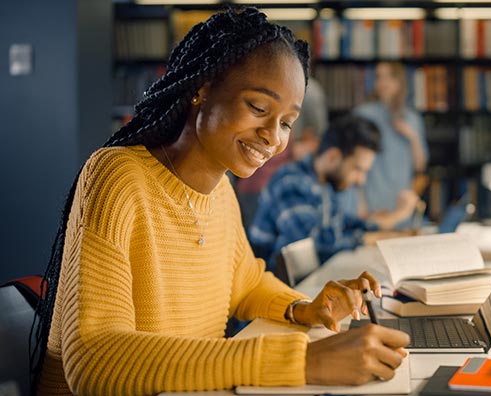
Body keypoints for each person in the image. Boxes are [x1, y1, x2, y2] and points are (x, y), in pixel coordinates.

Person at [31, 8, 409, 395]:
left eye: (286, 122)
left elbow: (244, 285)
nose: (273, 137)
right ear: (202, 88)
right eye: (259, 108)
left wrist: (303, 308)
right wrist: (303, 361)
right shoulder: (117, 177)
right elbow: (95, 360)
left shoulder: (220, 191)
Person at [249, 114, 418, 271]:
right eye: (358, 169)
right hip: (274, 290)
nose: (361, 180)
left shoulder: (324, 184)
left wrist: (383, 227)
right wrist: (373, 237)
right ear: (333, 157)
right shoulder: (291, 182)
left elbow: (340, 224)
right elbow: (313, 245)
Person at [234, 77, 328, 229]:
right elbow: (313, 142)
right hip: (263, 185)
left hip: (256, 183)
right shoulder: (309, 91)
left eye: (286, 123)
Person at [344, 61, 429, 225]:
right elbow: (351, 162)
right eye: (379, 77)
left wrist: (412, 137)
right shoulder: (363, 115)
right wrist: (358, 200)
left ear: (400, 81)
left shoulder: (412, 119)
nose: (383, 83)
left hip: (402, 206)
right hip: (372, 204)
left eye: (389, 77)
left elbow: (420, 166)